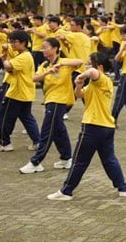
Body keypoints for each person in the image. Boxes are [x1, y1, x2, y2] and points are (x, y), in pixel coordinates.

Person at [47, 53, 126, 201]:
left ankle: (66, 191)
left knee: (79, 161)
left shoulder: (102, 79)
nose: (85, 67)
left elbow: (92, 72)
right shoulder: (97, 84)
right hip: (106, 127)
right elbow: (79, 95)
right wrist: (79, 85)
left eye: (88, 64)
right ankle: (123, 188)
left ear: (99, 66)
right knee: (109, 159)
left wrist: (83, 75)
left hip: (93, 127)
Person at [21, 38, 84, 173]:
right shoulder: (44, 65)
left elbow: (80, 62)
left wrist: (61, 65)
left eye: (46, 47)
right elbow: (34, 78)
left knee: (47, 131)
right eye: (42, 48)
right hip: (49, 99)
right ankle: (66, 158)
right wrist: (48, 72)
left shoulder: (64, 63)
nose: (43, 50)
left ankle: (36, 161)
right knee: (58, 130)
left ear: (55, 48)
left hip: (59, 100)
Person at [0, 30, 41, 154]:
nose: (12, 44)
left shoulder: (24, 57)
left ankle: (4, 143)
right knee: (26, 117)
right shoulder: (24, 55)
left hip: (16, 93)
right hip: (25, 92)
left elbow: (8, 66)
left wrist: (4, 59)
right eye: (11, 42)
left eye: (15, 42)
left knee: (5, 117)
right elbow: (13, 71)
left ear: (23, 43)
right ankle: (37, 141)